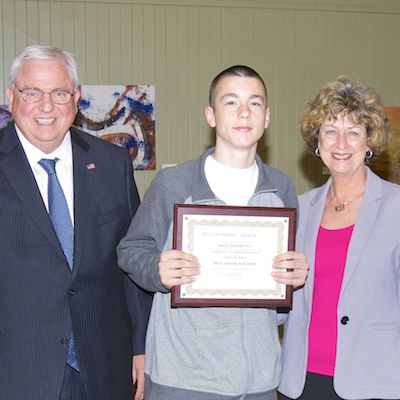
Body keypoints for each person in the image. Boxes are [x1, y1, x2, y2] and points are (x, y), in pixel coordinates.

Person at [117, 65, 309, 400]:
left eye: (255, 103)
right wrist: (157, 269)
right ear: (211, 115)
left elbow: (283, 288)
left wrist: (294, 275)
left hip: (260, 382)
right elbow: (131, 250)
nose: (244, 113)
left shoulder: (282, 188)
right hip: (184, 380)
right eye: (231, 102)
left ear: (266, 117)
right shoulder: (173, 184)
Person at [0, 44, 152, 400]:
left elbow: (132, 259)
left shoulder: (113, 164)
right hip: (17, 370)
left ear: (77, 96)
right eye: (32, 92)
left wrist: (143, 346)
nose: (46, 106)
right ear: (11, 95)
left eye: (59, 93)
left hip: (105, 367)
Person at [278, 76, 400, 400]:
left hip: (374, 381)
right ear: (317, 142)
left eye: (354, 132)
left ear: (369, 141)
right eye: (331, 131)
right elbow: (280, 302)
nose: (341, 143)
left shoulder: (396, 207)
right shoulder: (300, 209)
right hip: (301, 382)